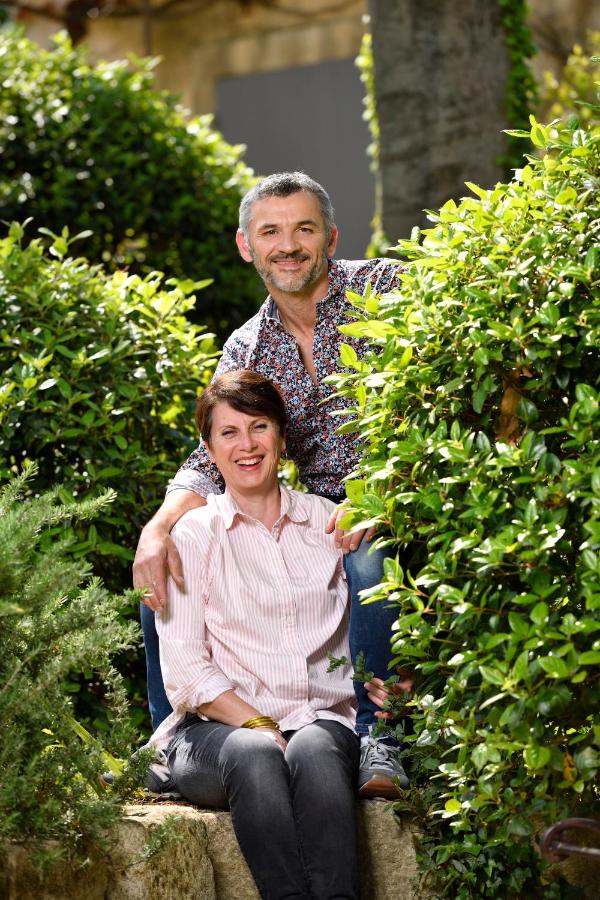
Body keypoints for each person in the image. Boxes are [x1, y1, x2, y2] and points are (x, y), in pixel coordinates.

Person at [134, 171, 409, 798]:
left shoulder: (386, 291)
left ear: (330, 237)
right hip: (321, 516)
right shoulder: (249, 346)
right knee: (165, 565)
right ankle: (171, 742)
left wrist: (385, 492)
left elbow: (447, 400)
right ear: (246, 246)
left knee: (369, 561)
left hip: (405, 495)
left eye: (303, 229)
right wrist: (158, 530)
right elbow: (212, 455)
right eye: (270, 233)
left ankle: (380, 740)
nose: (288, 246)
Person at [150, 370, 360, 900]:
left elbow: (367, 634)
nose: (246, 445)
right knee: (256, 751)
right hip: (215, 736)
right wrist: (263, 725)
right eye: (229, 432)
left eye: (259, 427)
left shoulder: (329, 524)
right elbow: (188, 676)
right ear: (209, 451)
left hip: (320, 719)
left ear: (281, 438)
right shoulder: (193, 536)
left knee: (314, 748)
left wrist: (385, 678)